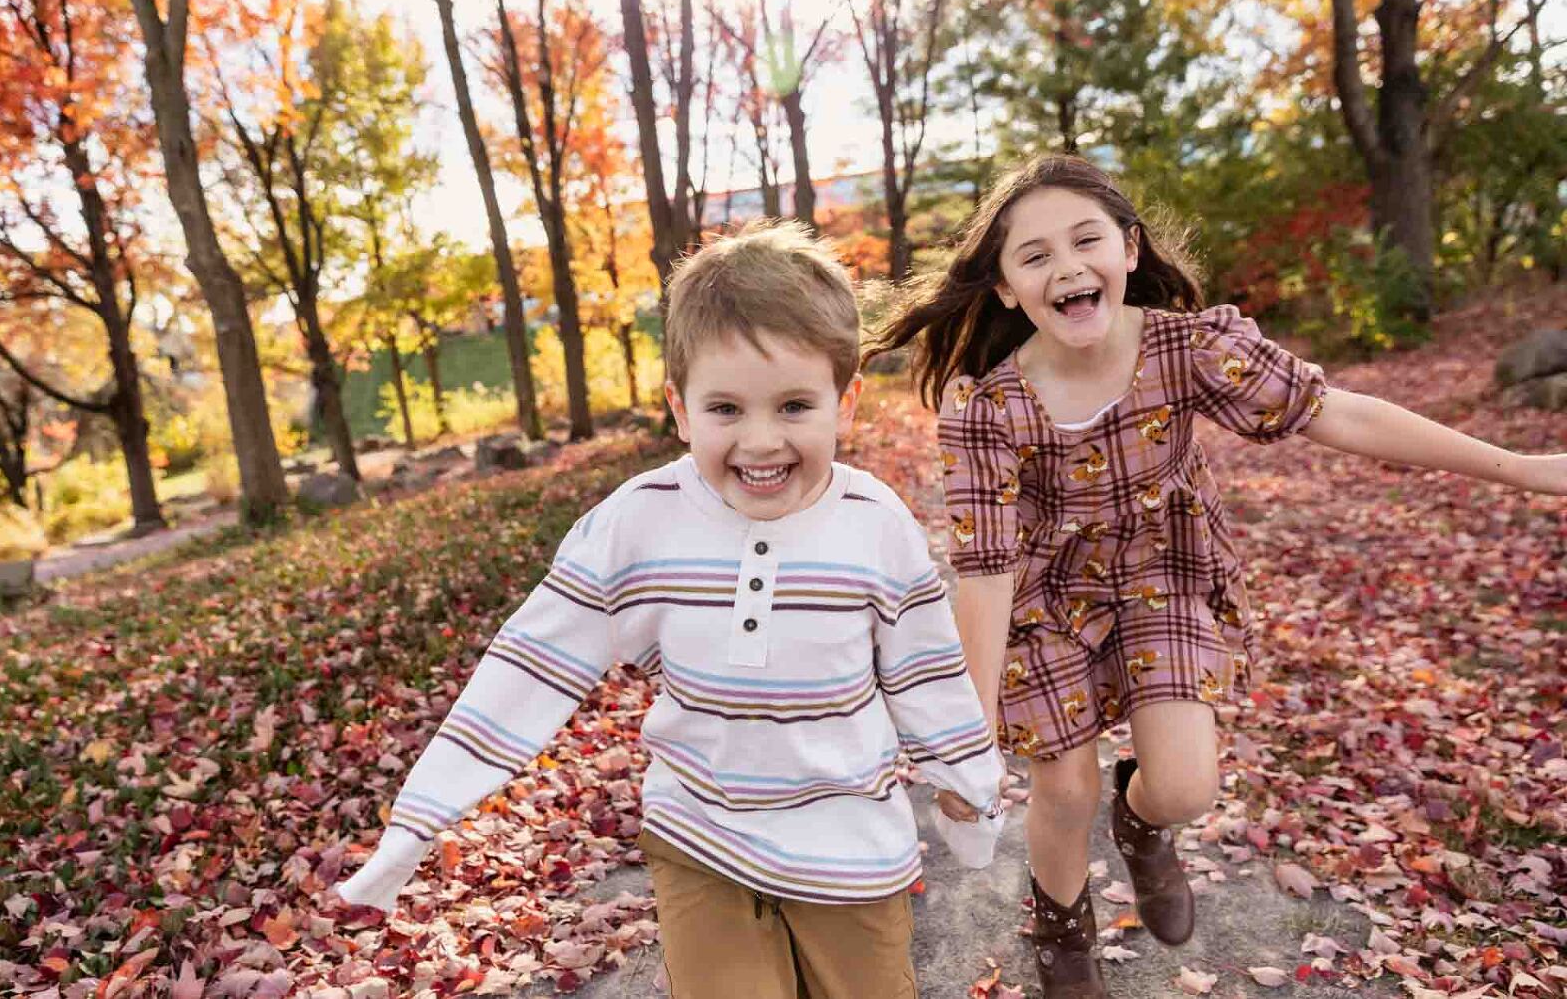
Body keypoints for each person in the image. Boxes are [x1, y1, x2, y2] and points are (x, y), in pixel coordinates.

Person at [864, 153, 1566, 999]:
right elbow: (984, 564)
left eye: (1087, 240)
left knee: (1187, 785)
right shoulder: (989, 409)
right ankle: (1060, 923)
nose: (1067, 267)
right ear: (1009, 289)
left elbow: (1333, 410)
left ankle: (1142, 821)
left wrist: (1521, 467)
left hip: (1165, 569)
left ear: (1129, 250)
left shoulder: (1189, 350)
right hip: (1045, 597)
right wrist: (965, 743)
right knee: (1063, 786)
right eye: (1036, 255)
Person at [334, 220, 1005, 999]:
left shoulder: (876, 525)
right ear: (680, 410)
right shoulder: (640, 521)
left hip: (850, 850)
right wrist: (419, 820)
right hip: (700, 838)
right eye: (725, 409)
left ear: (845, 401)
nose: (761, 441)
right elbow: (531, 665)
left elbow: (927, 671)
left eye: (794, 406)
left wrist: (968, 781)